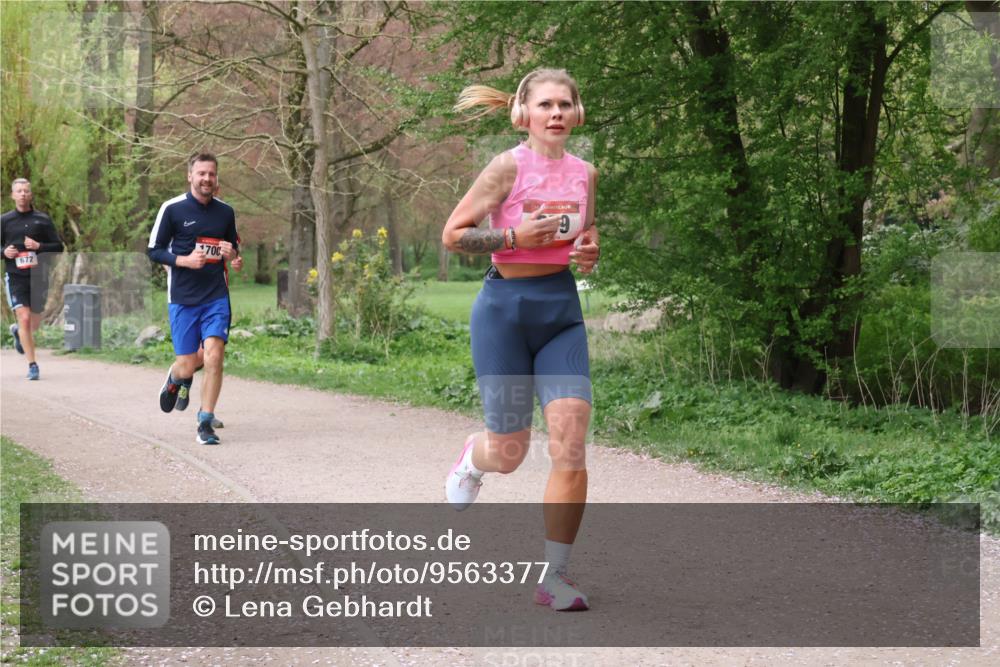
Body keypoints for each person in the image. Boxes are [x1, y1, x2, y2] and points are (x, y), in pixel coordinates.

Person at [442, 68, 601, 611]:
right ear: (524, 114)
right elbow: (454, 234)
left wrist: (589, 249)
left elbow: (588, 229)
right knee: (509, 453)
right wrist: (511, 236)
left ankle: (555, 576)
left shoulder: (585, 172)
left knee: (571, 435)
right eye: (545, 105)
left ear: (577, 114)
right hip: (504, 312)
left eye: (565, 104)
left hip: (560, 311)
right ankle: (473, 459)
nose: (556, 113)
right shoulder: (506, 166)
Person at [148, 152, 239, 445]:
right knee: (188, 363)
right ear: (190, 176)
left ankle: (205, 421)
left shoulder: (226, 212)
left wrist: (233, 255)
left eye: (211, 174)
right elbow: (154, 249)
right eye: (201, 173)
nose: (206, 179)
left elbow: (234, 249)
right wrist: (184, 261)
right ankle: (177, 377)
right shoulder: (172, 209)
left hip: (216, 296)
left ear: (216, 178)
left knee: (214, 355)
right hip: (184, 298)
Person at [2, 178, 64, 380]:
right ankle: (33, 365)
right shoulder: (4, 221)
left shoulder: (42, 220)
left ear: (31, 194)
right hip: (16, 276)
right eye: (18, 191)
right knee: (25, 318)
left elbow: (58, 247)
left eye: (26, 191)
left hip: (39, 277)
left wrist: (39, 247)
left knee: (33, 324)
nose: (22, 194)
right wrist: (4, 252)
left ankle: (18, 332)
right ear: (13, 195)